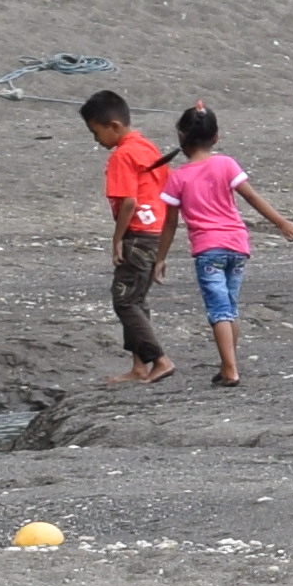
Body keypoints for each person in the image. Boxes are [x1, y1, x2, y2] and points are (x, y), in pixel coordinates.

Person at [163, 103, 293, 387]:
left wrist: (159, 257)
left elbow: (169, 224)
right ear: (216, 137)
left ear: (180, 136)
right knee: (230, 306)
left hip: (208, 249)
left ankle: (230, 368)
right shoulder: (226, 164)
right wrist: (281, 222)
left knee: (219, 309)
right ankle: (229, 362)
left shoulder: (177, 177)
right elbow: (251, 197)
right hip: (238, 245)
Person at [82, 90, 176, 384]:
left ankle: (160, 360)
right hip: (156, 230)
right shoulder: (147, 148)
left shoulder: (122, 156)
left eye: (96, 133)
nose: (96, 141)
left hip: (137, 234)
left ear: (114, 127)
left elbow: (129, 202)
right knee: (137, 298)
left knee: (124, 301)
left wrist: (117, 239)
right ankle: (139, 366)